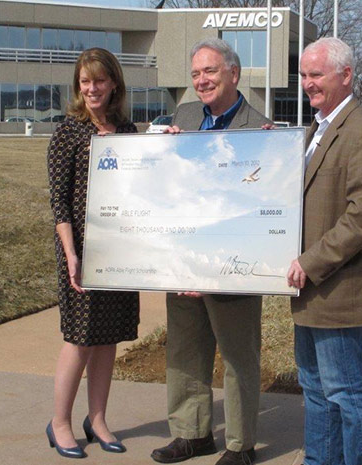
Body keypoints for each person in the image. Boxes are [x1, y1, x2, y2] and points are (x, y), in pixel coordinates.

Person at [150, 38, 272, 465]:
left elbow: (259, 204)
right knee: (184, 349)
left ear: (233, 74)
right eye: (196, 73)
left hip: (232, 263)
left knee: (238, 355)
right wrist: (161, 150)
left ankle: (241, 445)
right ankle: (192, 433)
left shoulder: (260, 128)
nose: (201, 81)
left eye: (210, 72)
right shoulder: (183, 117)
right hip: (182, 261)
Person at [286, 38, 362, 465]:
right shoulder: (318, 129)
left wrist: (309, 264)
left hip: (338, 289)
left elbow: (361, 219)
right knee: (314, 389)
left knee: (346, 393)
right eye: (303, 75)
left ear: (345, 75)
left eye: (316, 75)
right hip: (312, 289)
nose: (307, 84)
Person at [46, 47, 140, 459]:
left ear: (113, 83)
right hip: (81, 250)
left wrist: (165, 143)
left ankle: (97, 418)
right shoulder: (69, 132)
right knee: (80, 338)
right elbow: (59, 203)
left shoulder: (128, 131)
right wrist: (70, 254)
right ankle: (60, 422)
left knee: (108, 337)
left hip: (120, 247)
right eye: (85, 81)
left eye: (99, 80)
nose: (91, 88)